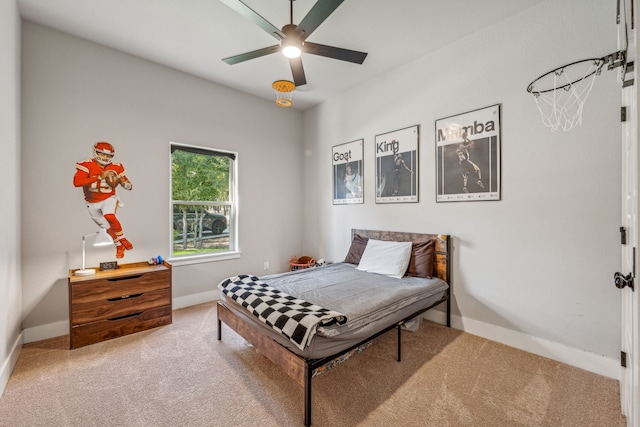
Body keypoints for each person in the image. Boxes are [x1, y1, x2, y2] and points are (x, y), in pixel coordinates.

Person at [73, 142, 133, 259]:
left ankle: (123, 239)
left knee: (109, 216)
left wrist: (123, 183)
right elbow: (77, 182)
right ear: (95, 152)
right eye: (103, 154)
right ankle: (119, 246)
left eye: (109, 156)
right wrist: (100, 176)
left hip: (109, 197)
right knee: (106, 227)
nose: (106, 158)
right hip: (91, 202)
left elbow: (129, 186)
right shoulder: (87, 165)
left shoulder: (117, 166)